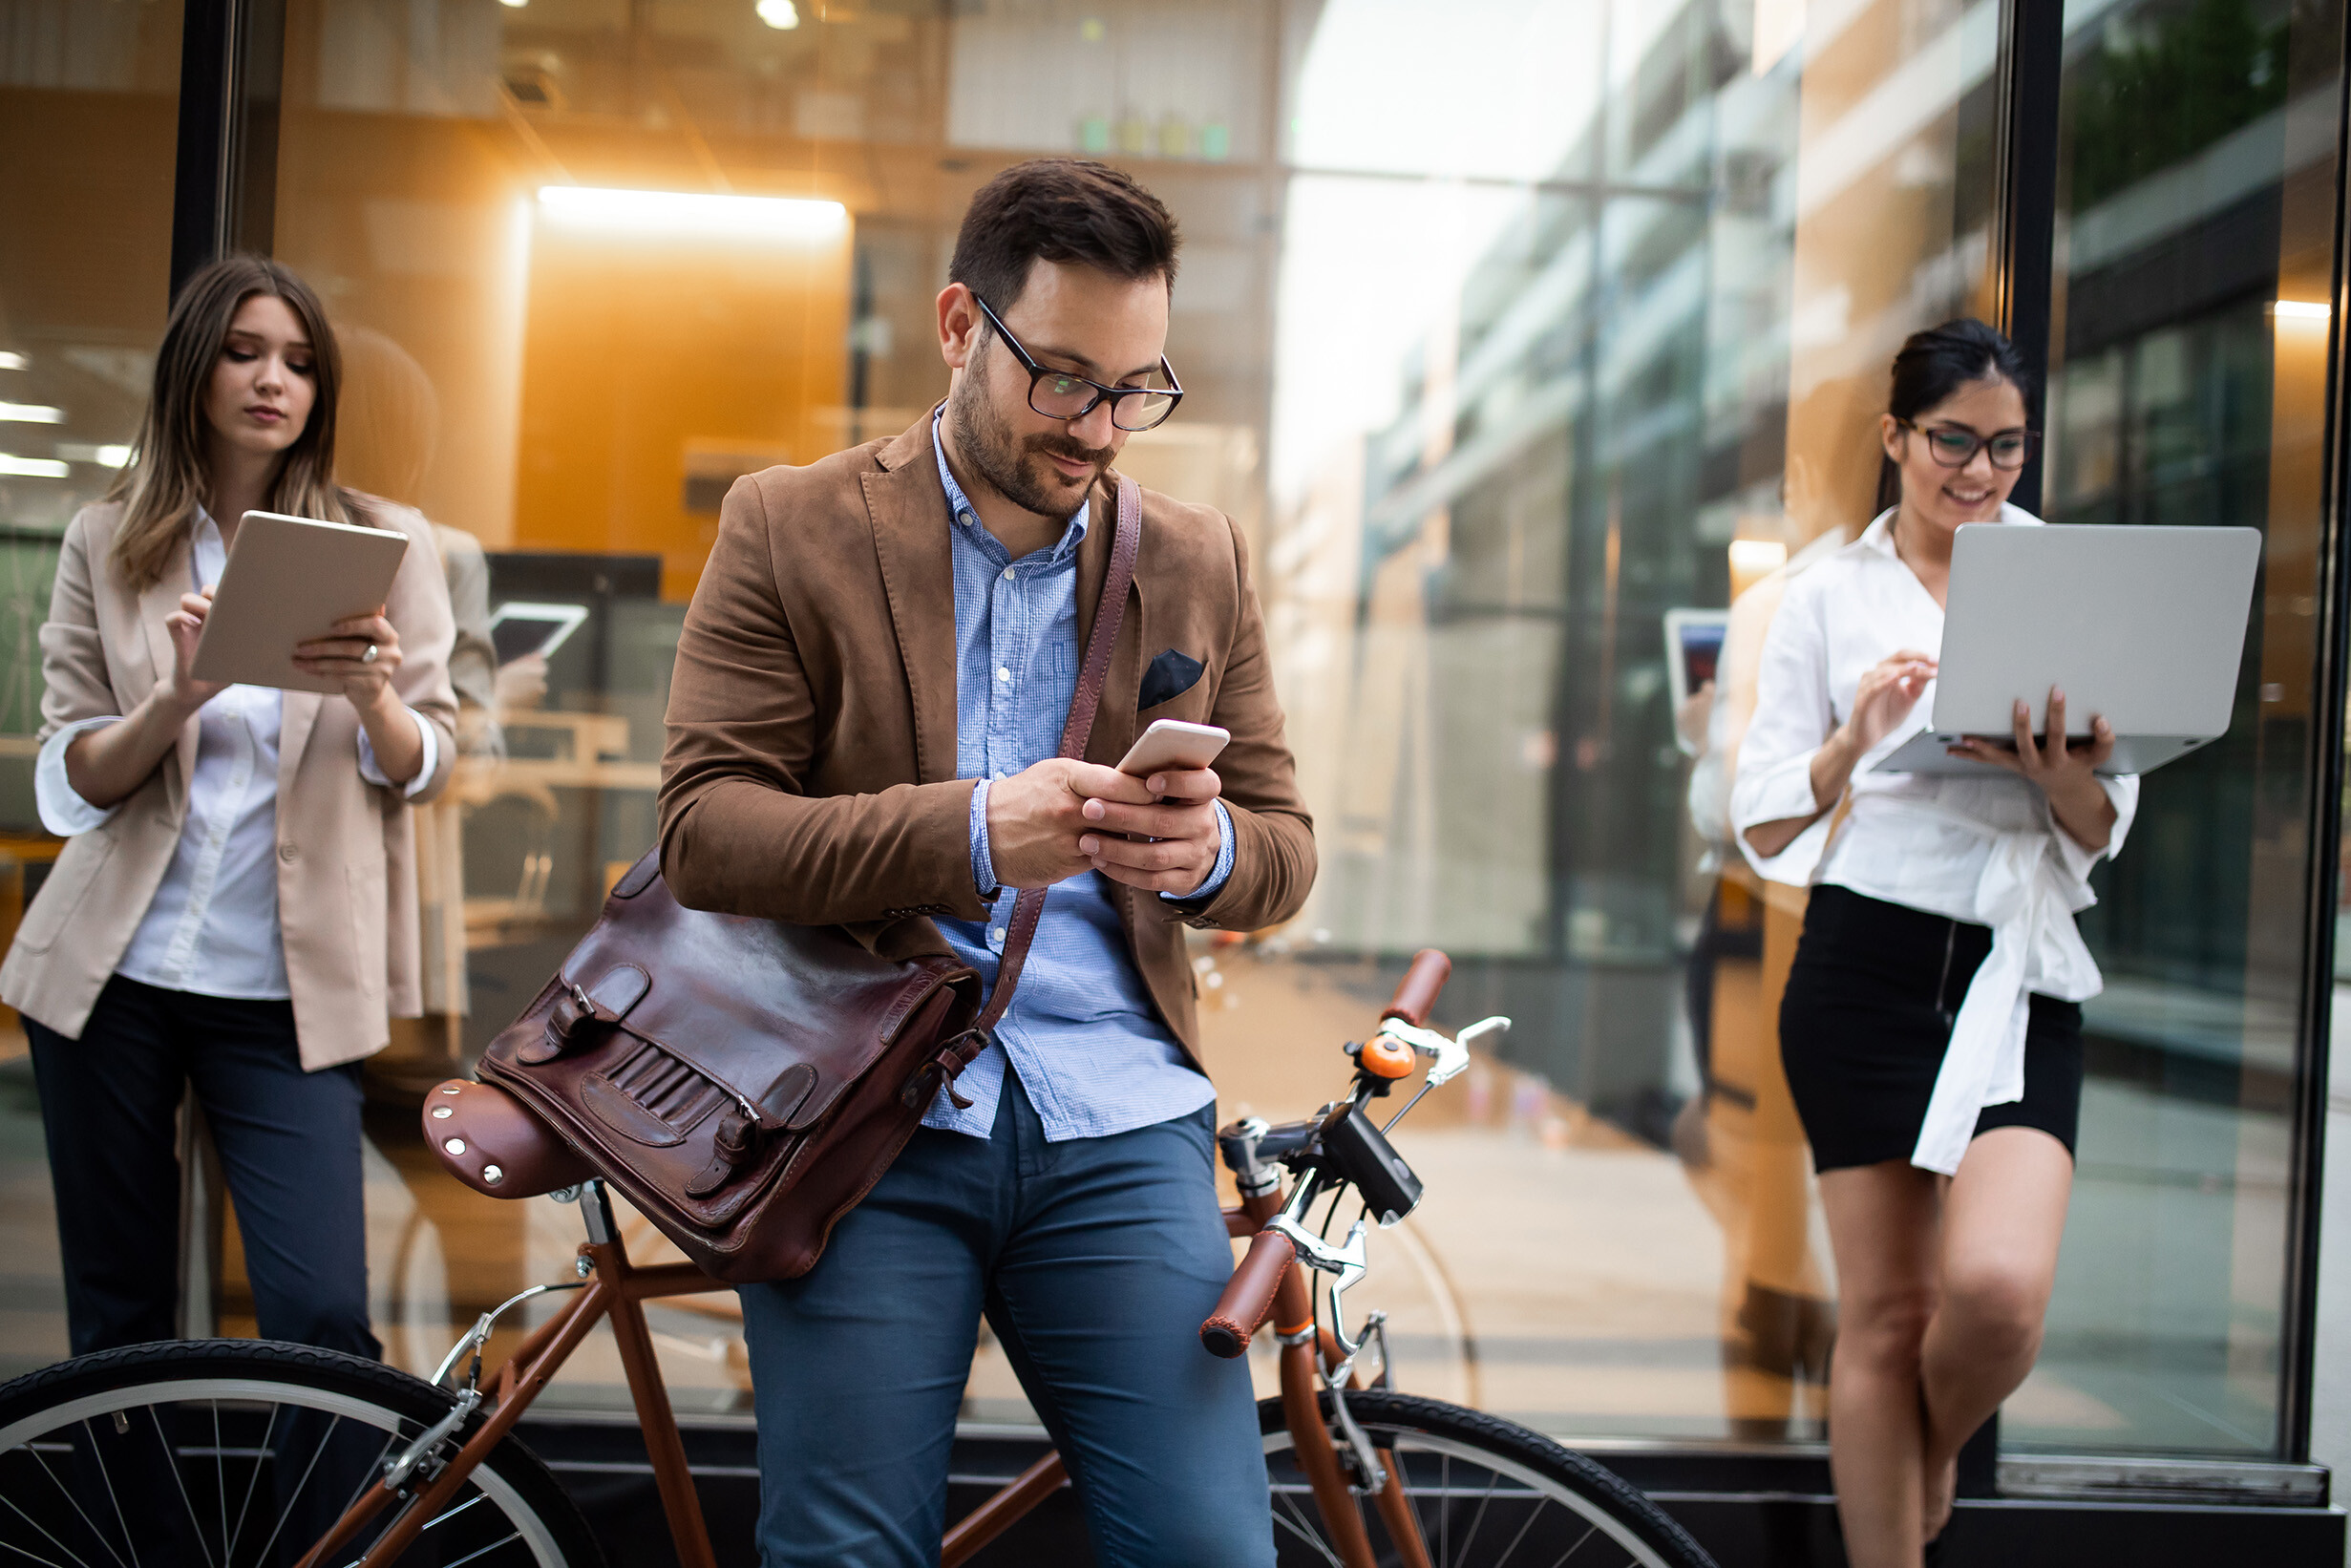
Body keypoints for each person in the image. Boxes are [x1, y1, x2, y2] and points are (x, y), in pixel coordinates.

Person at [659, 159, 1313, 1567]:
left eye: (1135, 389)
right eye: (1064, 379)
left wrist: (1204, 852)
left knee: (1209, 1552)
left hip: (1118, 1117)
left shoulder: (1195, 555)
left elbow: (1282, 849)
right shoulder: (791, 522)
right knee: (845, 1555)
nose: (1099, 428)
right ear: (960, 325)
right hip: (862, 1110)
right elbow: (705, 828)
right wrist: (968, 829)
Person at [1729, 318, 2136, 1568]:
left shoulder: (2063, 578)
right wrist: (1850, 745)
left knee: (1997, 1294)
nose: (1979, 471)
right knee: (1886, 1311)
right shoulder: (1823, 595)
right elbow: (1762, 815)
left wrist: (2057, 771)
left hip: (2018, 965)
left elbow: (2101, 822)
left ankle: (1930, 1433)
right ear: (1895, 437)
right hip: (1864, 964)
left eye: (2006, 446)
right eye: (1953, 440)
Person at [0, 255, 458, 1360]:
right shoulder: (109, 540)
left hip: (287, 991)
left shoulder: (387, 543)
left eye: (299, 363)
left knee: (319, 1316)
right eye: (243, 353)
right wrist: (177, 697)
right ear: (192, 372)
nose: (272, 380)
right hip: (112, 978)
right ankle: (131, 1485)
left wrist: (373, 694)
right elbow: (70, 780)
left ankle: (329, 1492)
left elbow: (430, 763)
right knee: (119, 1317)